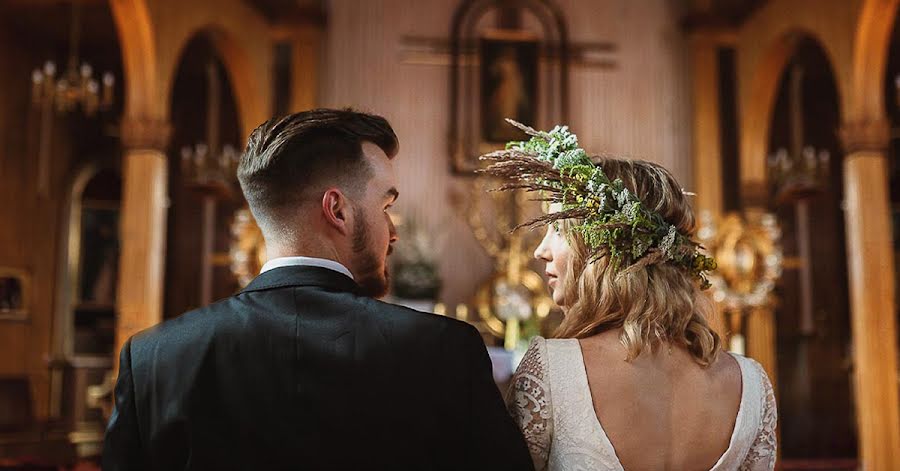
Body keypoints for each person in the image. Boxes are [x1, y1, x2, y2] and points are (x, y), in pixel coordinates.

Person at [102, 109, 533, 471]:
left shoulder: (152, 359)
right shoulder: (444, 350)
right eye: (386, 207)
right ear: (337, 210)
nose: (393, 232)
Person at [484, 121, 777, 471]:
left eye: (558, 229)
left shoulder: (552, 369)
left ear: (601, 246)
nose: (541, 251)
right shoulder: (751, 384)